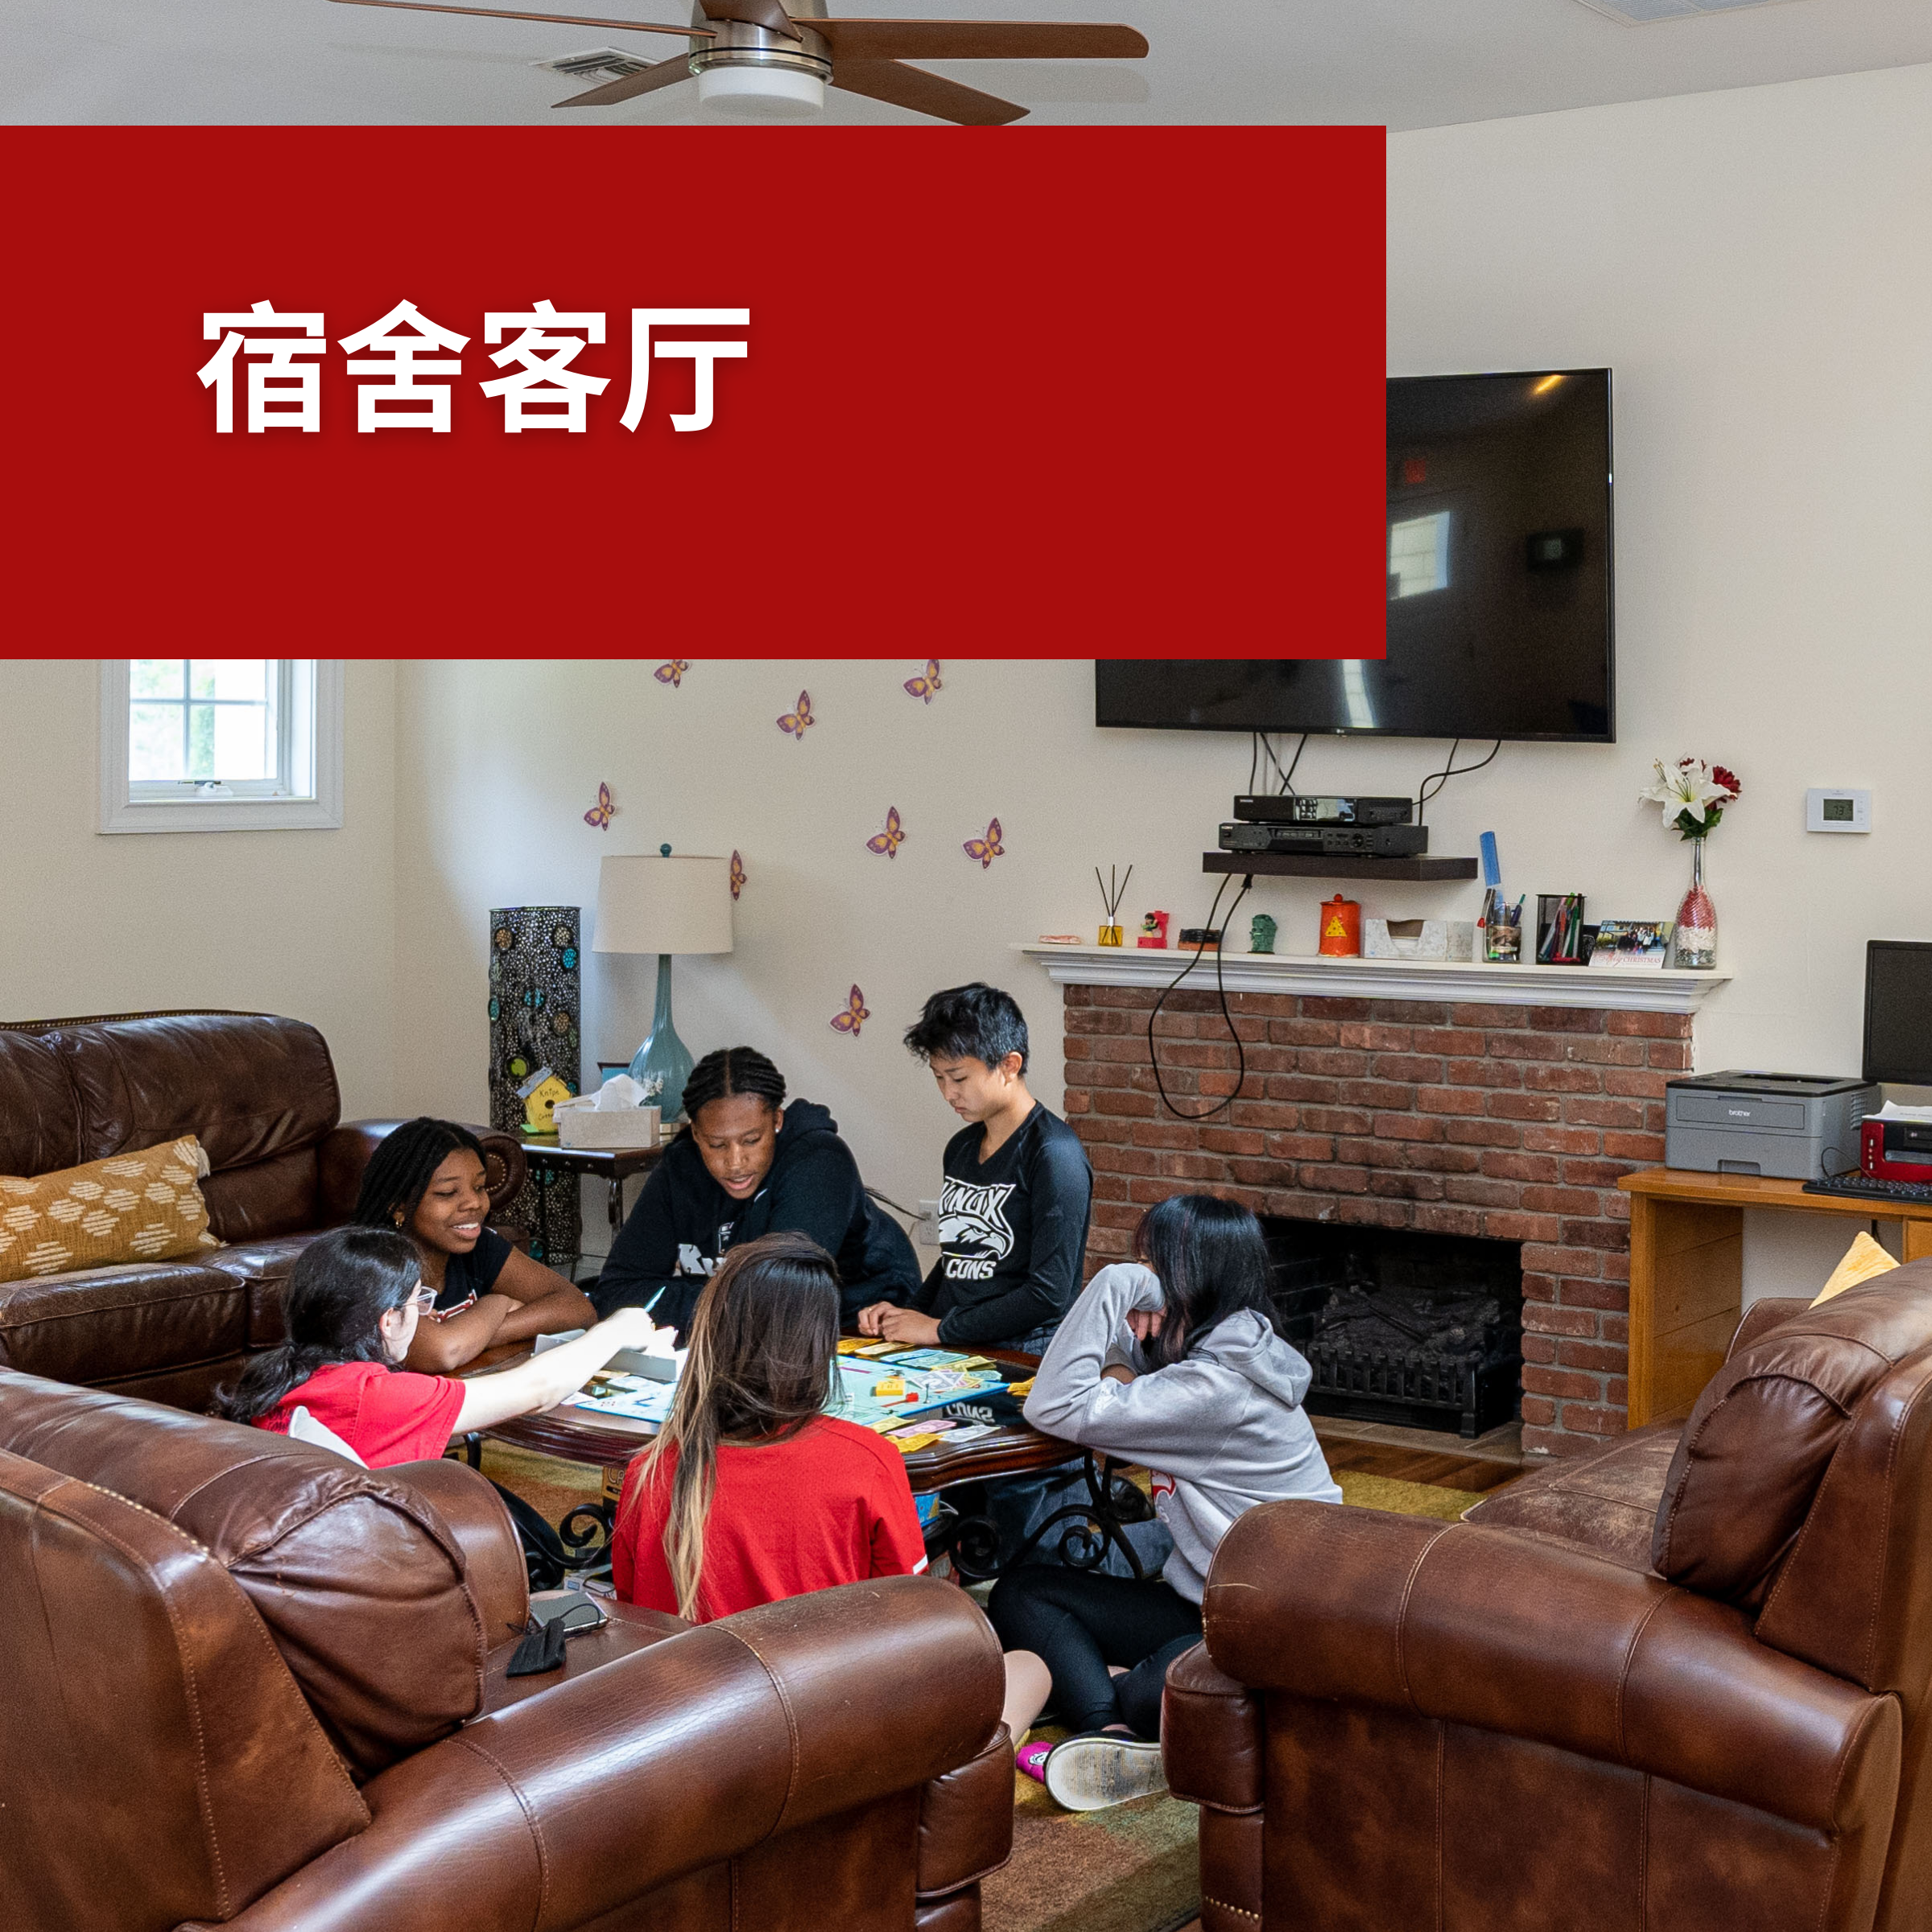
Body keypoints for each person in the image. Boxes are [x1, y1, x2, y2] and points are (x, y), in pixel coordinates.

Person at [989, 1193, 1342, 1812]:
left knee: (1138, 1689)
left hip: (1272, 1624)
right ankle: (1112, 1730)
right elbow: (1118, 1364)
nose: (1143, 1286)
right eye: (1139, 1266)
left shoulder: (1213, 1388)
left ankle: (1106, 1713)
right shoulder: (1219, 1345)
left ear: (1191, 1278)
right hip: (1205, 1600)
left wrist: (1112, 1283)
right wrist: (1126, 1361)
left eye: (1152, 1269)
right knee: (1020, 1592)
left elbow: (1052, 1404)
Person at [610, 1232, 930, 1620]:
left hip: (682, 1679)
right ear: (821, 1345)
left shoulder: (649, 1468)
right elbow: (909, 1615)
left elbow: (630, 1610)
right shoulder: (867, 1460)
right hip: (822, 1679)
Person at [213, 1224, 661, 1466]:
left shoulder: (276, 1374)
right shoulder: (373, 1395)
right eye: (419, 1302)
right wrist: (619, 1327)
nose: (425, 1313)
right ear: (389, 1320)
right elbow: (538, 1387)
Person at [592, 1047, 921, 1337]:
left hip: (860, 1324)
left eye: (751, 1140)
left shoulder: (819, 1160)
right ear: (695, 1132)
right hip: (734, 1338)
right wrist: (732, 1302)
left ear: (777, 1120)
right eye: (716, 1144)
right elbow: (616, 1292)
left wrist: (683, 1300)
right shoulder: (679, 1167)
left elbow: (782, 1305)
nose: (735, 1163)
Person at [858, 983, 1092, 1354]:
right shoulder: (961, 1148)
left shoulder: (1054, 1155)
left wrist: (939, 1329)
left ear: (1009, 1066)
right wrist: (906, 1316)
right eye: (939, 1078)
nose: (948, 1093)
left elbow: (1049, 1293)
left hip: (1023, 1352)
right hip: (957, 1341)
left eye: (959, 1078)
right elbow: (956, 1262)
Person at [352, 1117, 597, 1373]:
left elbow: (577, 1307)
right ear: (398, 1206)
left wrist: (474, 1334)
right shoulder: (372, 1268)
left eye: (479, 1187)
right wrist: (496, 1304)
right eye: (447, 1193)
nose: (474, 1203)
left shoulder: (478, 1246)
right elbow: (442, 1352)